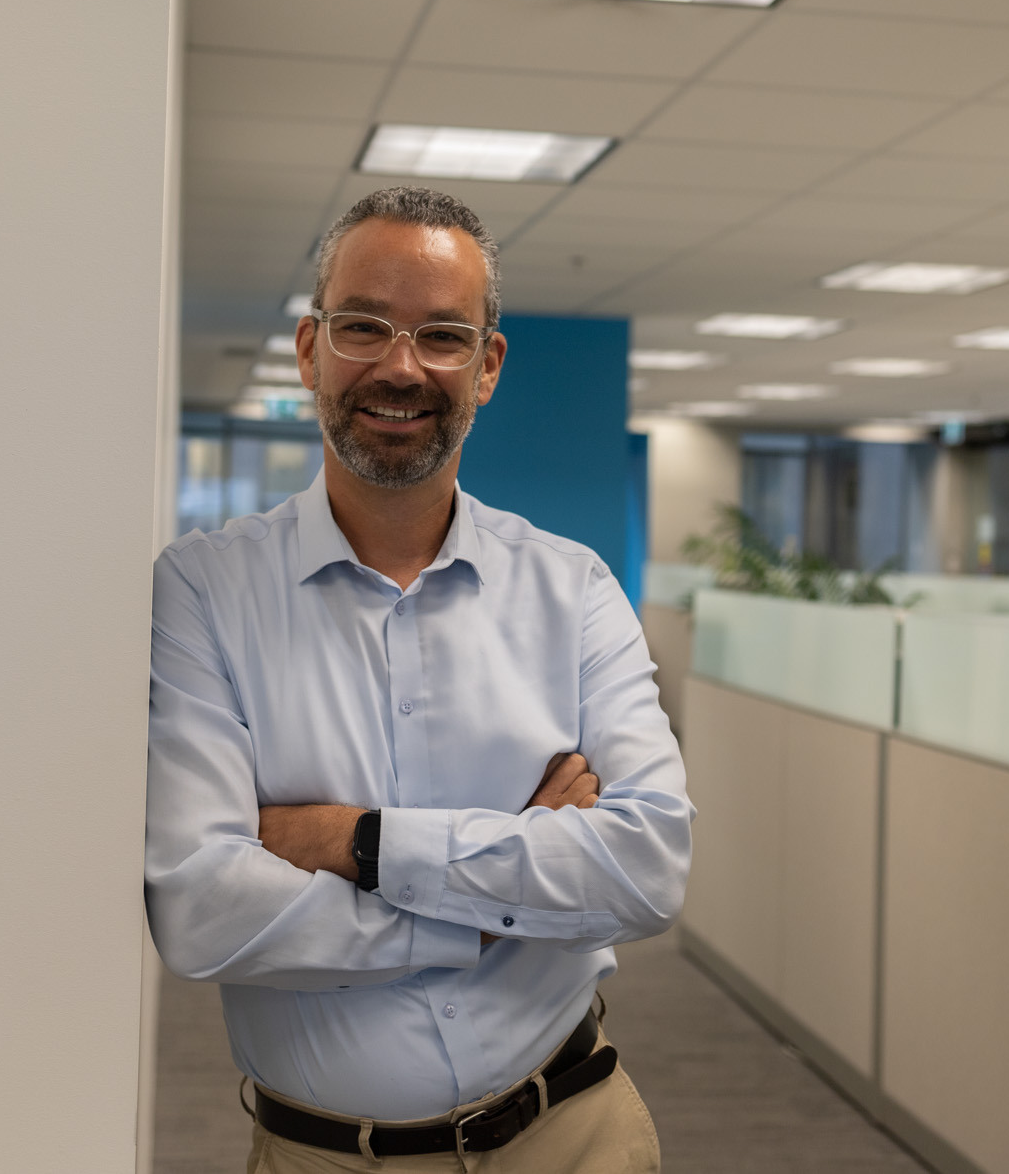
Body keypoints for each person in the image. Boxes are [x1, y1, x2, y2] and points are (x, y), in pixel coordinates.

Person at [146, 185, 693, 1172]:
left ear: (485, 367)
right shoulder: (201, 592)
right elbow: (199, 909)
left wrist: (353, 842)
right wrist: (494, 913)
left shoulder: (571, 590)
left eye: (442, 336)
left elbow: (646, 868)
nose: (400, 367)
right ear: (310, 349)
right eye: (363, 326)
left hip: (574, 1137)